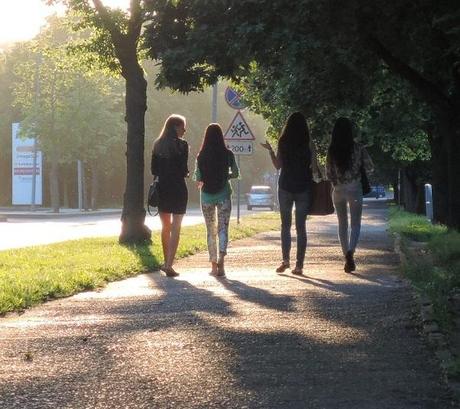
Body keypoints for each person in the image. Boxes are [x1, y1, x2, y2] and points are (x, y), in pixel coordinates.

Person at [261, 112, 322, 275]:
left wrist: (270, 151)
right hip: (303, 187)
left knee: (285, 226)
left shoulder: (283, 142)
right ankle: (299, 265)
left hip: (285, 187)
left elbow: (277, 166)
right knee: (301, 227)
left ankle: (285, 261)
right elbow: (315, 169)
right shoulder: (309, 144)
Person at [326, 117, 374, 273]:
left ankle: (345, 255)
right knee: (355, 224)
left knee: (342, 224)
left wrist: (337, 183)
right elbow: (370, 167)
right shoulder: (359, 148)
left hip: (338, 190)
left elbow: (328, 173)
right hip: (355, 189)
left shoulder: (331, 150)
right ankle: (351, 253)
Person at [194, 123, 239, 277]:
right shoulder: (228, 154)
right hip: (224, 195)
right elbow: (236, 173)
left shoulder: (201, 156)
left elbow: (197, 177)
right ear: (221, 137)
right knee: (223, 228)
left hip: (206, 196)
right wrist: (226, 176)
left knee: (210, 230)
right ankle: (222, 263)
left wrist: (203, 179)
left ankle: (213, 266)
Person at [151, 114, 189, 277]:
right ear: (175, 127)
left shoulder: (157, 144)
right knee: (176, 227)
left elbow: (153, 170)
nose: (184, 130)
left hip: (162, 188)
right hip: (178, 188)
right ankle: (169, 264)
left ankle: (166, 261)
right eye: (182, 127)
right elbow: (183, 169)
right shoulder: (182, 145)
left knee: (165, 226)